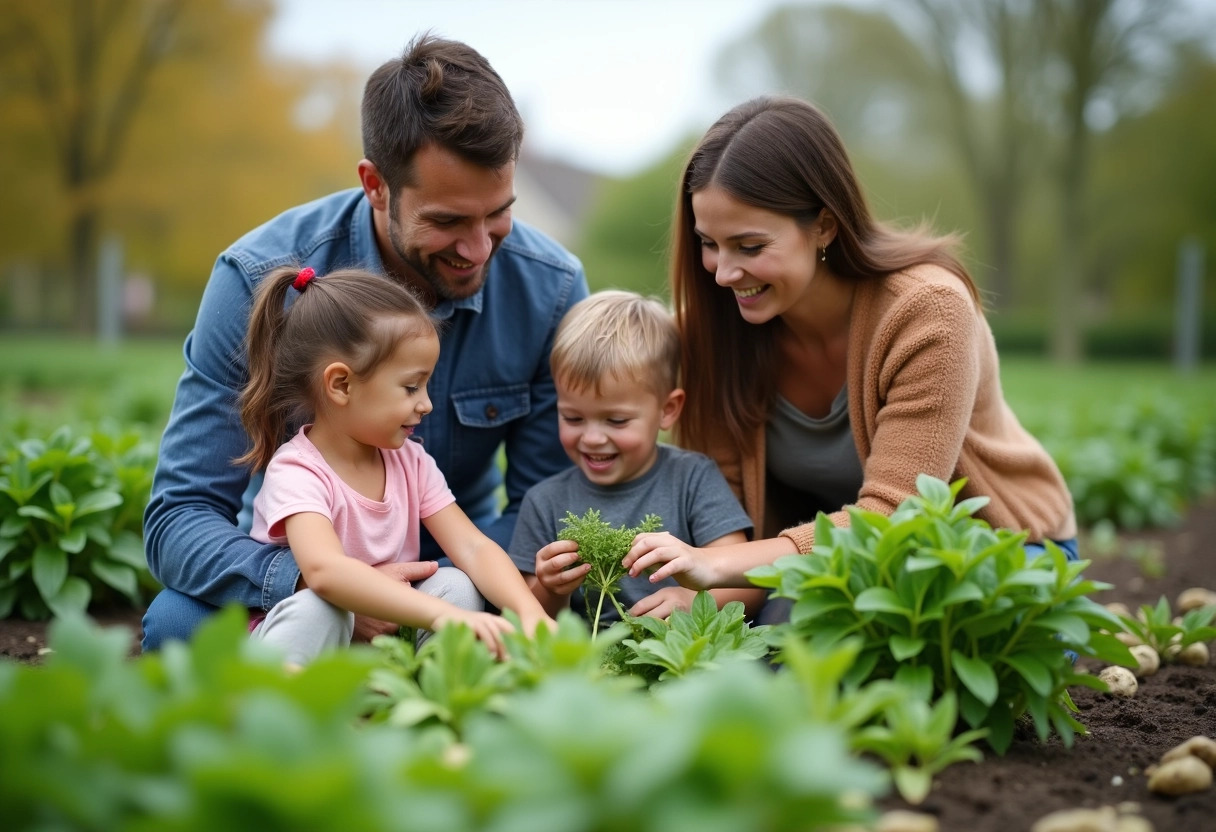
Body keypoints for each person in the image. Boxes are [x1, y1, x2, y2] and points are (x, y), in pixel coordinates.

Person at [142, 34, 588, 650]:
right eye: (448, 221)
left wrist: (493, 600)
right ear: (376, 185)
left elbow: (542, 507)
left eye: (498, 213)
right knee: (176, 625)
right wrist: (310, 581)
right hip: (303, 569)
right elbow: (179, 519)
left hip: (447, 573)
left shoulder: (552, 288)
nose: (480, 247)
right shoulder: (255, 278)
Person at [622, 96, 1077, 614]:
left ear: (825, 225)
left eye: (749, 247)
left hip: (987, 556)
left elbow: (894, 517)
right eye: (709, 243)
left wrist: (715, 567)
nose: (723, 273)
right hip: (819, 565)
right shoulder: (714, 330)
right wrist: (696, 602)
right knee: (780, 646)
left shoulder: (927, 312)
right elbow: (732, 522)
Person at [240, 266, 552, 665]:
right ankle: (286, 709)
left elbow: (472, 546)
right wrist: (444, 616)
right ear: (341, 384)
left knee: (454, 582)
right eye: (410, 387)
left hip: (383, 636)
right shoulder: (298, 471)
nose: (426, 404)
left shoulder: (410, 460)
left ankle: (435, 698)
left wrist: (528, 611)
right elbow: (325, 572)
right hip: (309, 644)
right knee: (319, 607)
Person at [508, 291, 762, 625]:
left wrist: (693, 602)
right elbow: (523, 616)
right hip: (589, 663)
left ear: (667, 410)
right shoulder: (545, 502)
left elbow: (749, 585)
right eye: (573, 418)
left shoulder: (692, 478)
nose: (593, 438)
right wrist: (551, 589)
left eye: (616, 421)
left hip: (683, 651)